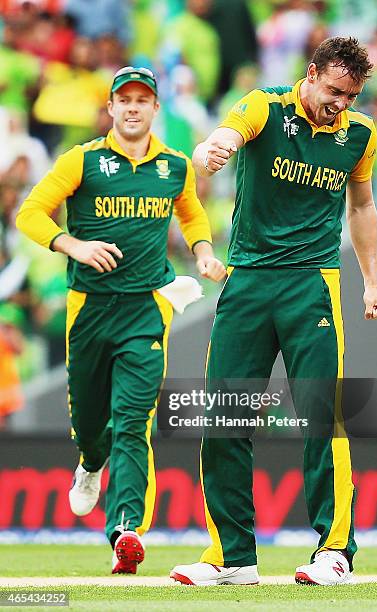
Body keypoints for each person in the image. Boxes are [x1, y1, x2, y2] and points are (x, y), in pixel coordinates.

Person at [170, 37, 377, 587]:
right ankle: (231, 556)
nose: (342, 103)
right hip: (246, 280)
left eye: (353, 94)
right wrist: (209, 149)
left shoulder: (359, 134)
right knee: (225, 416)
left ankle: (335, 552)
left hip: (311, 284)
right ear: (311, 74)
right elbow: (228, 132)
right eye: (335, 90)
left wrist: (370, 282)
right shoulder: (265, 105)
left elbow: (361, 205)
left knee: (321, 415)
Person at [16, 65, 226, 574]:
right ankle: (90, 463)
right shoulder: (81, 161)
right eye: (124, 100)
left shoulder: (174, 165)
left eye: (142, 100)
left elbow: (192, 212)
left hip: (146, 308)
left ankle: (125, 530)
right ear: (110, 108)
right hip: (89, 307)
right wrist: (75, 245)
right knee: (91, 423)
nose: (133, 107)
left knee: (133, 423)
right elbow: (30, 213)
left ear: (156, 109)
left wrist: (201, 251)